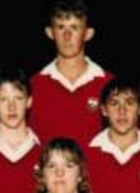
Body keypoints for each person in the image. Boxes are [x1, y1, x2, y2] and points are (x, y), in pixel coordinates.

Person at [30, 0, 113, 145]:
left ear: (88, 33)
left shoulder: (109, 84)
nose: (67, 36)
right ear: (50, 32)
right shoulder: (34, 85)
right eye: (61, 27)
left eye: (74, 27)